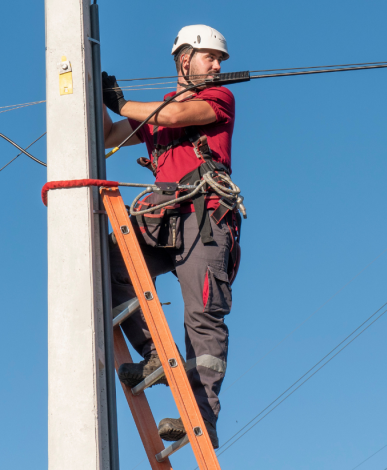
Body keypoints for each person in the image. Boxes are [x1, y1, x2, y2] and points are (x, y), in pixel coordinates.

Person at [101, 24, 240, 449]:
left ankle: (199, 417)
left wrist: (124, 103)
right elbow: (108, 137)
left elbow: (180, 115)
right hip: (165, 216)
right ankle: (154, 354)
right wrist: (95, 101)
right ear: (184, 60)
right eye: (209, 58)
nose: (217, 66)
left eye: (219, 61)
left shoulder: (219, 98)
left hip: (206, 219)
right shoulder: (155, 111)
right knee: (109, 262)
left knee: (202, 315)